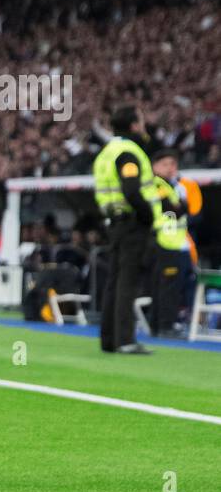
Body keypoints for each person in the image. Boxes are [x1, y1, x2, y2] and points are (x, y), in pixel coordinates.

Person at [92, 106, 158, 354]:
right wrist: (148, 214)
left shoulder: (107, 152)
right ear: (133, 125)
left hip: (115, 221)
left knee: (114, 281)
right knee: (127, 282)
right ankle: (126, 340)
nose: (144, 125)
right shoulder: (129, 152)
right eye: (141, 121)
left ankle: (109, 340)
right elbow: (131, 190)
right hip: (132, 223)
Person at [149, 150, 192, 337]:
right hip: (164, 241)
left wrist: (180, 206)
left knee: (168, 286)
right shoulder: (157, 184)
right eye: (165, 164)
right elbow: (173, 210)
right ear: (154, 166)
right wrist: (180, 206)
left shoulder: (173, 185)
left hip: (175, 242)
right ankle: (164, 326)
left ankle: (160, 325)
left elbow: (184, 209)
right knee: (166, 287)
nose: (170, 168)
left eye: (173, 164)